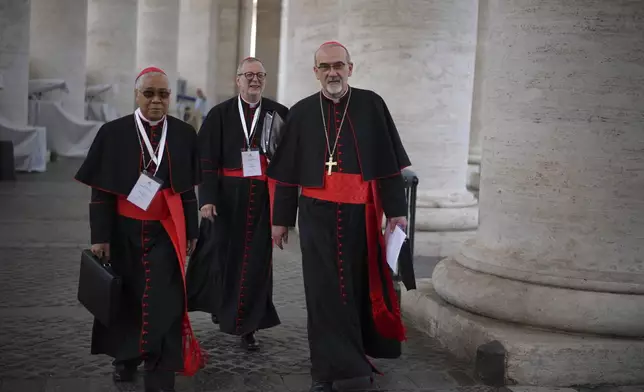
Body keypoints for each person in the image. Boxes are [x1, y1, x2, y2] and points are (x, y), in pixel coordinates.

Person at [266, 42, 411, 392]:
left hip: (361, 213)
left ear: (351, 67)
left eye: (339, 65)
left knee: (359, 286)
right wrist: (280, 219)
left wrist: (397, 213)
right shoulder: (301, 112)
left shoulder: (371, 105)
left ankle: (357, 357)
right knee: (323, 292)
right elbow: (285, 173)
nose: (333, 72)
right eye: (325, 66)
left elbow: (388, 162)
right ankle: (327, 369)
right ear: (315, 72)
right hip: (316, 215)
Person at [75, 66, 205, 392]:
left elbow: (187, 191)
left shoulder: (183, 133)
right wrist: (100, 238)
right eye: (149, 93)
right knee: (127, 297)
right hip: (124, 231)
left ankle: (159, 361)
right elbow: (101, 192)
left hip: (166, 230)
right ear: (137, 95)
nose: (156, 101)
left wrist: (192, 232)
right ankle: (125, 357)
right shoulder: (113, 132)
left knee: (165, 296)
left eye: (163, 94)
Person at [194, 57, 288, 351]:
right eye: (248, 75)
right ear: (237, 80)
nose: (254, 80)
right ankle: (220, 306)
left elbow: (287, 164)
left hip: (262, 199)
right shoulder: (219, 114)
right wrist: (206, 199)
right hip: (225, 198)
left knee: (257, 263)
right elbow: (206, 160)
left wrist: (283, 211)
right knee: (221, 258)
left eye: (259, 75)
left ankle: (249, 325)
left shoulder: (279, 113)